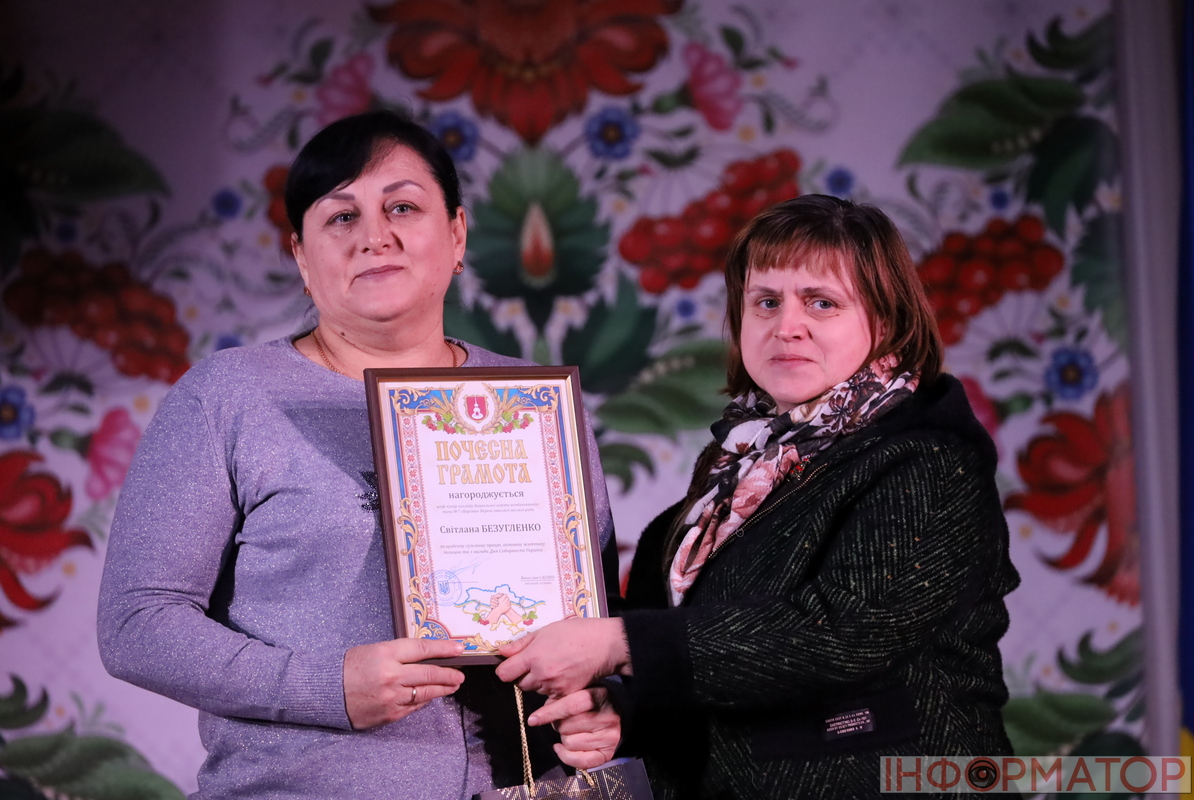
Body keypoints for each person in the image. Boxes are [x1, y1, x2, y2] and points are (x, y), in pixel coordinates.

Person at [97, 110, 619, 800]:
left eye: (402, 207)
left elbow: (594, 624)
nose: (375, 236)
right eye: (342, 217)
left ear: (457, 234)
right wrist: (326, 686)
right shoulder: (228, 396)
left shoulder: (532, 403)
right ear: (301, 256)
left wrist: (601, 707)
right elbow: (137, 623)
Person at [497, 195, 1021, 799]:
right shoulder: (746, 465)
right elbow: (726, 661)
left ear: (886, 320)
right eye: (766, 302)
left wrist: (620, 645)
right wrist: (626, 713)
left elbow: (841, 634)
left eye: (821, 303)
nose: (786, 326)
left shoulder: (930, 461)